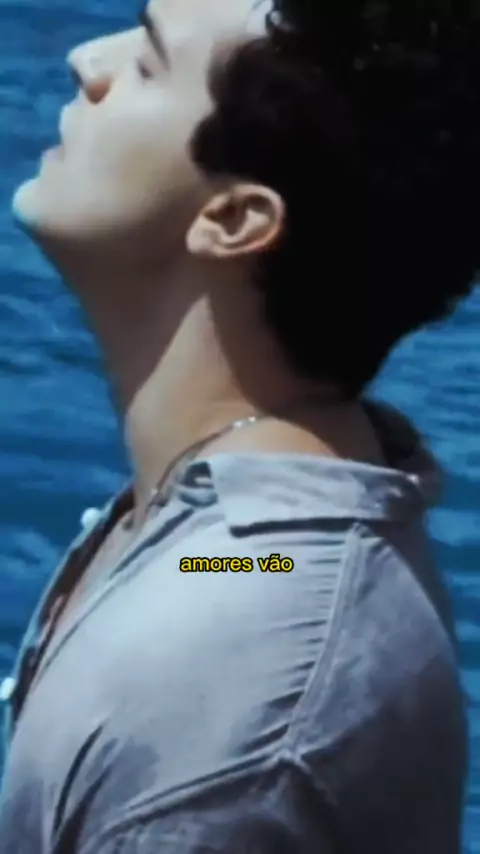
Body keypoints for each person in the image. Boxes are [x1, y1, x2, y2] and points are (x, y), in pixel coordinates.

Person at [0, 0, 473, 850]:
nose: (86, 61)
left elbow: (224, 616)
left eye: (149, 62)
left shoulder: (222, 707)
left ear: (233, 219)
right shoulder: (231, 541)